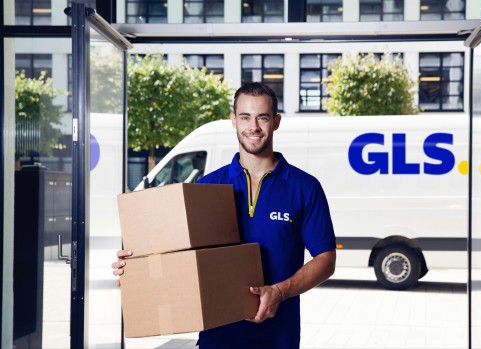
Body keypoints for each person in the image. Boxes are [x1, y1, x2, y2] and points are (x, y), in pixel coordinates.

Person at [113, 82, 336, 349]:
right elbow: (174, 254)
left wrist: (279, 291)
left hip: (279, 339)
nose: (253, 127)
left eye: (262, 117)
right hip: (217, 339)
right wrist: (134, 265)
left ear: (276, 122)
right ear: (233, 120)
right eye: (245, 117)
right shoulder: (207, 187)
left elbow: (326, 258)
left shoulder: (305, 187)